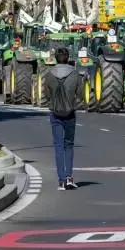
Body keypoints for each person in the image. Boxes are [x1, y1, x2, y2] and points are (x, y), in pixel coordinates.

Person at [43, 47, 83, 191]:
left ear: (54, 58)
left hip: (55, 113)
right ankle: (69, 177)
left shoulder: (49, 75)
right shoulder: (75, 74)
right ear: (68, 58)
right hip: (70, 113)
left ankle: (61, 181)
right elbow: (81, 95)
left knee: (58, 146)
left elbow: (47, 95)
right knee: (69, 145)